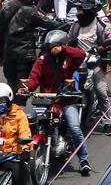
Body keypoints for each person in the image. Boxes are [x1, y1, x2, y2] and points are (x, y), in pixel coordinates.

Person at [22, 30, 91, 176]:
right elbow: (33, 78)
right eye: (50, 46)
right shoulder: (42, 60)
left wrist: (63, 49)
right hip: (47, 101)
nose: (52, 48)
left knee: (74, 128)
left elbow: (82, 55)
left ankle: (84, 160)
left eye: (55, 45)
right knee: (32, 125)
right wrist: (26, 88)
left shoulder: (69, 58)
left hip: (67, 99)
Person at [0, 0, 66, 91]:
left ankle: (12, 105)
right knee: (23, 86)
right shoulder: (32, 11)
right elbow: (50, 24)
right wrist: (68, 26)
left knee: (11, 83)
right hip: (24, 54)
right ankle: (19, 107)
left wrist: (1, 51)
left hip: (8, 52)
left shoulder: (7, 6)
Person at [69, 0, 111, 136]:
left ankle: (107, 123)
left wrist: (99, 49)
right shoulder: (75, 25)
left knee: (101, 92)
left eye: (80, 10)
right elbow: (67, 39)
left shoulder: (100, 25)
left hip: (94, 63)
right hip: (76, 63)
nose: (78, 13)